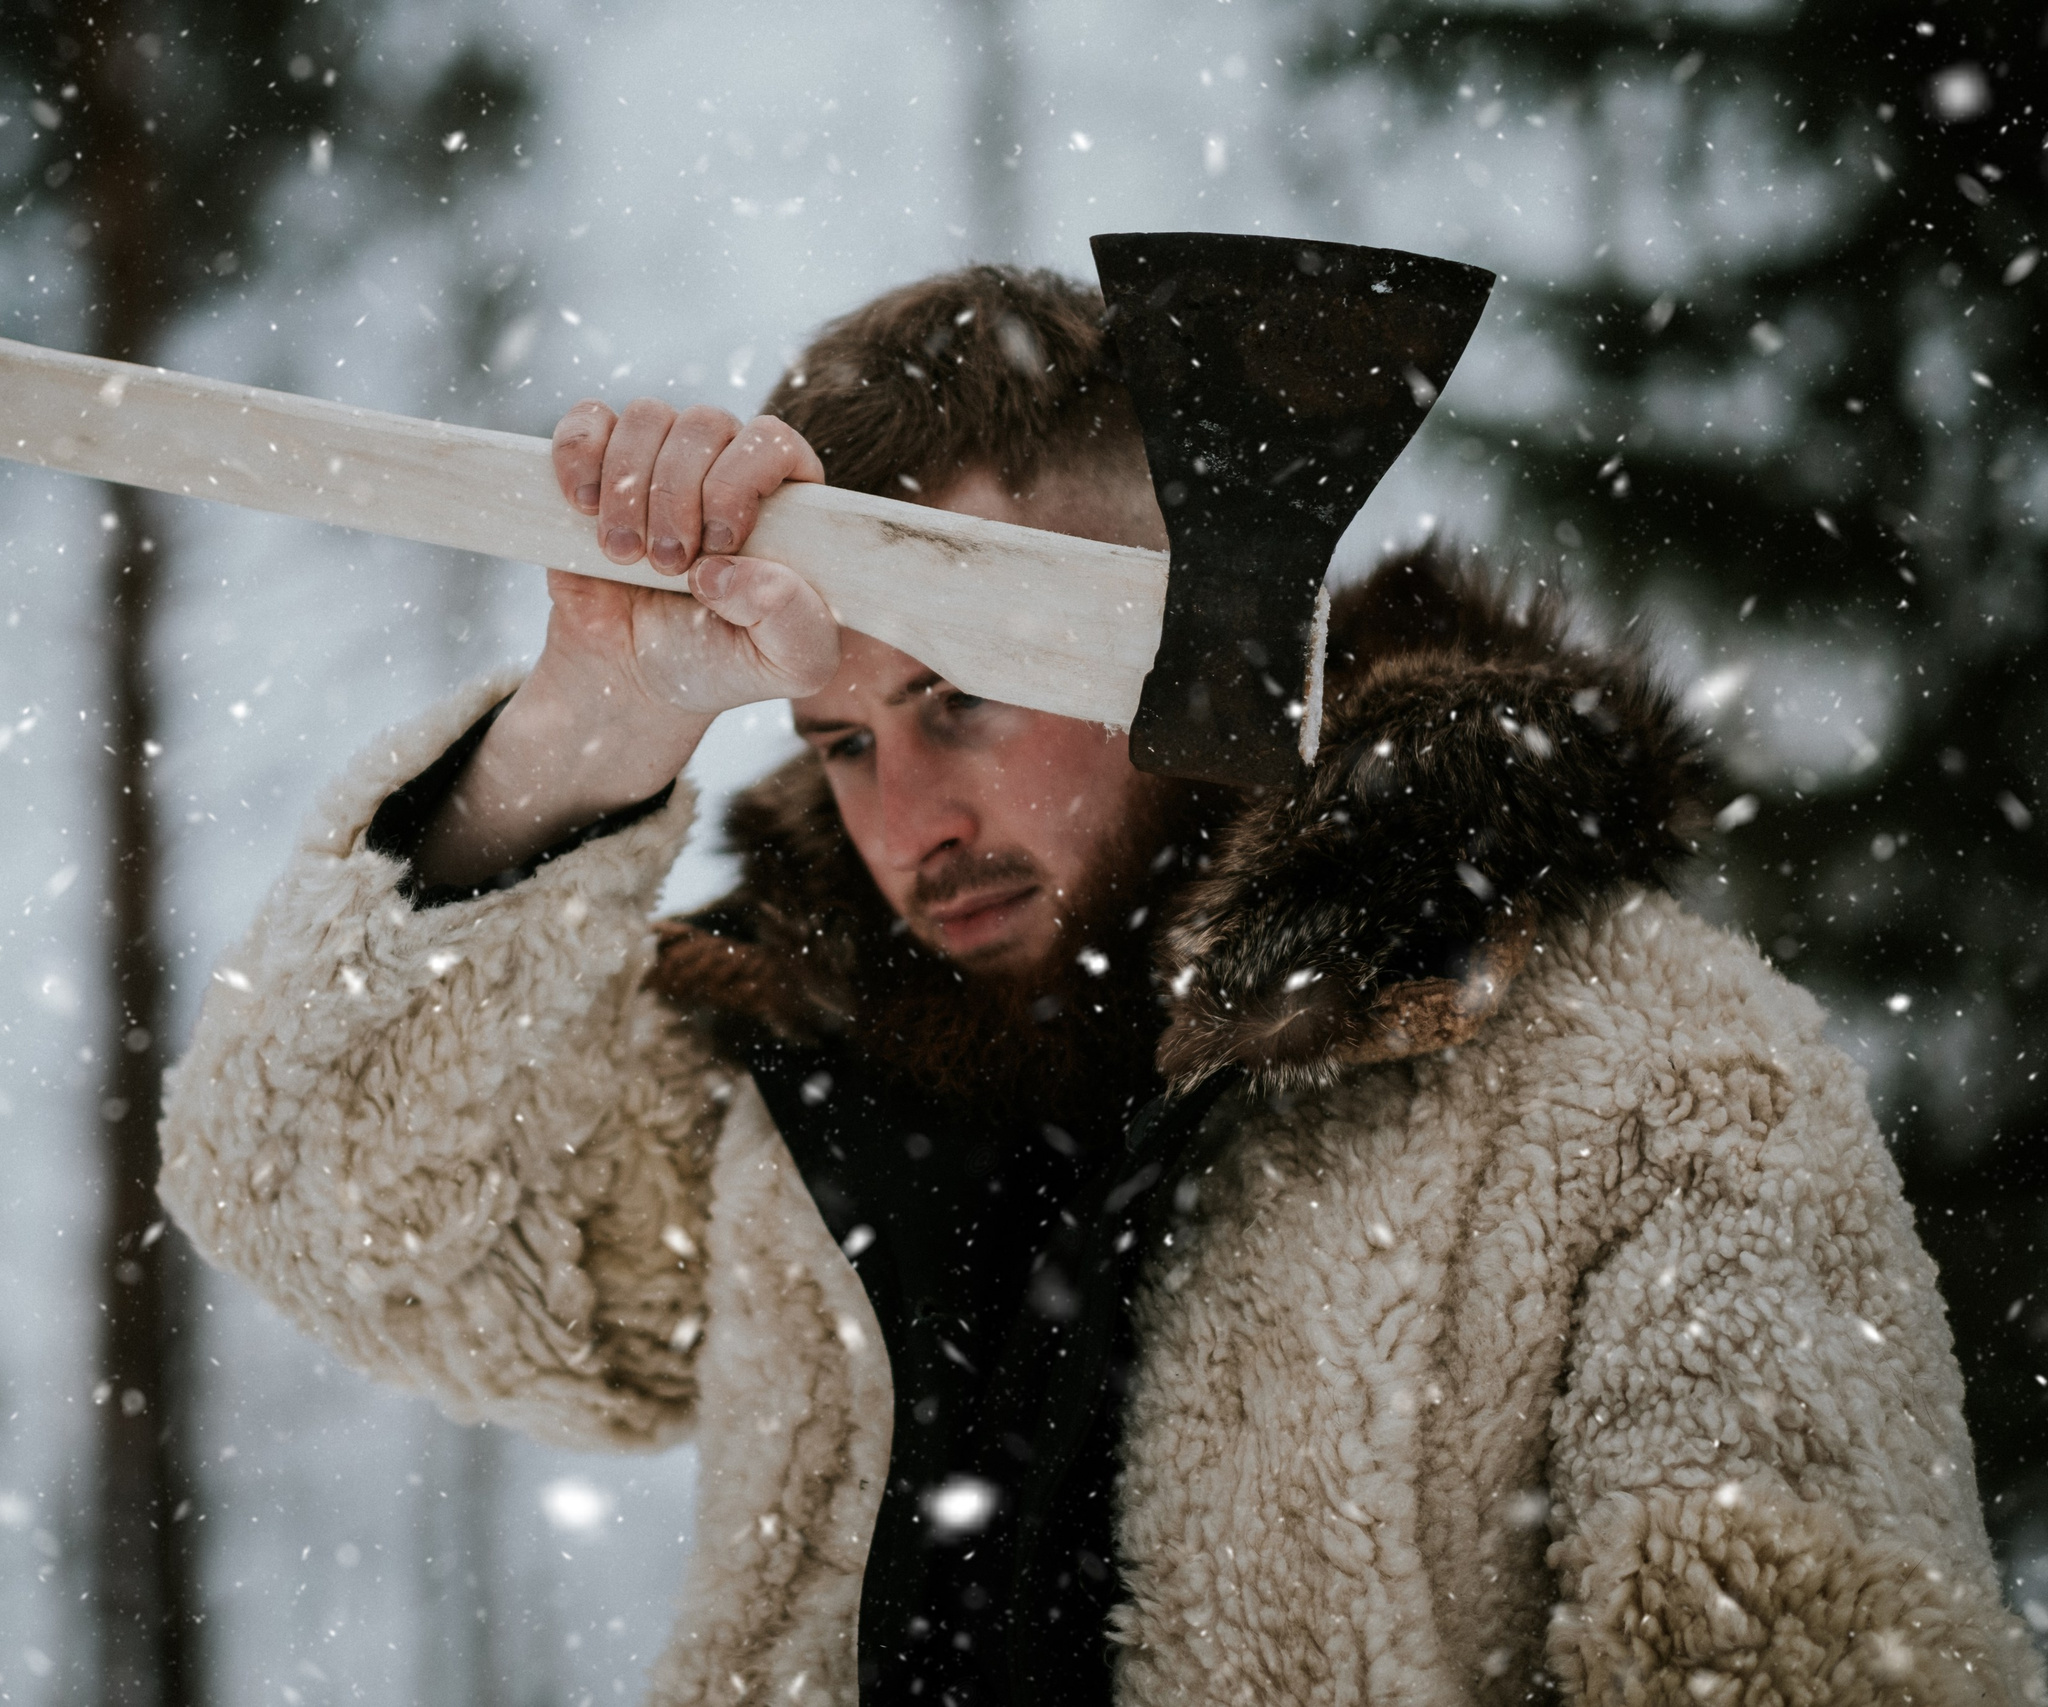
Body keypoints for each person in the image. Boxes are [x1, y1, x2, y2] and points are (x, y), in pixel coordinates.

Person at [156, 266, 2043, 1705]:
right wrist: (591, 724)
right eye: (839, 741)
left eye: (961, 699)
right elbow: (324, 1213)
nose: (912, 819)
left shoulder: (1637, 1067)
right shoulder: (801, 1097)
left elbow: (1806, 1651)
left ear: (1189, 628)